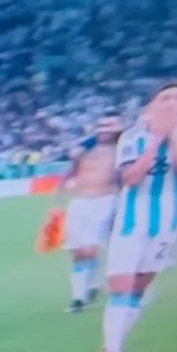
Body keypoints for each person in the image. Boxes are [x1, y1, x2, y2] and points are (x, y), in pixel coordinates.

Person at [99, 83, 177, 352]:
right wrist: (156, 140)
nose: (172, 103)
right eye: (165, 98)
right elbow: (131, 178)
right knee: (121, 284)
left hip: (168, 223)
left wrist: (172, 136)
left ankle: (113, 343)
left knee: (139, 288)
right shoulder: (132, 137)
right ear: (151, 105)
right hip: (131, 222)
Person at [52, 113, 124, 313]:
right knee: (76, 251)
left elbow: (123, 178)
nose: (105, 129)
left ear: (119, 127)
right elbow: (71, 171)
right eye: (101, 125)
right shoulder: (85, 149)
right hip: (79, 202)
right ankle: (87, 288)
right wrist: (58, 199)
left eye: (109, 125)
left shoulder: (123, 149)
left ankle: (79, 298)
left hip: (105, 201)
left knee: (90, 249)